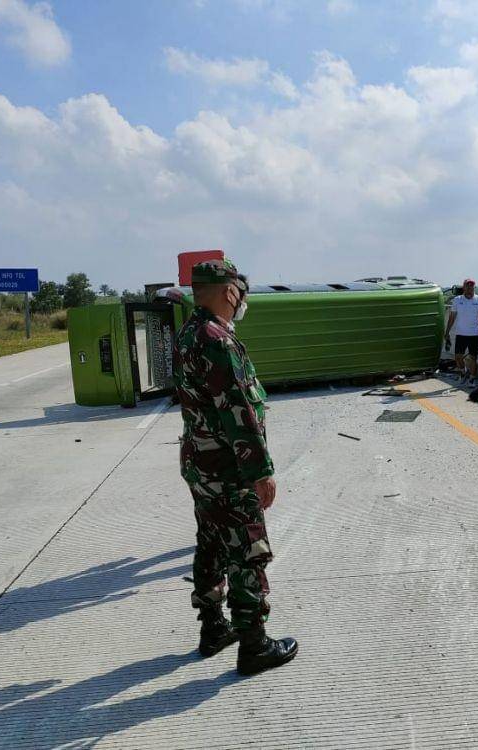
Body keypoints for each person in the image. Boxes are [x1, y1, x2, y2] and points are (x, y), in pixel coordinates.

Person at [173, 258, 298, 675]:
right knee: (248, 550)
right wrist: (260, 470)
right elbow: (239, 412)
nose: (242, 301)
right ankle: (254, 644)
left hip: (200, 465)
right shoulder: (218, 340)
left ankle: (213, 628)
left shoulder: (188, 333)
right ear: (230, 292)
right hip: (230, 468)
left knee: (210, 543)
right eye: (240, 293)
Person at [444, 278, 478, 386]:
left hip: (475, 333)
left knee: (473, 358)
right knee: (458, 356)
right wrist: (447, 331)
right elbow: (452, 317)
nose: (469, 288)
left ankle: (472, 378)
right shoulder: (457, 300)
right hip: (461, 333)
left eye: (471, 286)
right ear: (464, 287)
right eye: (467, 286)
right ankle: (463, 371)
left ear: (474, 287)